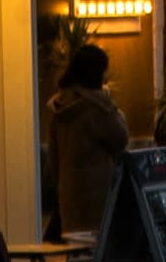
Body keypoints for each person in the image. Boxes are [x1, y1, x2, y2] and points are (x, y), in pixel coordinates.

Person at [49, 41, 130, 237]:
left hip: (70, 198)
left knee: (77, 256)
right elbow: (121, 137)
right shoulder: (98, 108)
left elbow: (53, 156)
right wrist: (111, 105)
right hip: (99, 199)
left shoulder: (59, 106)